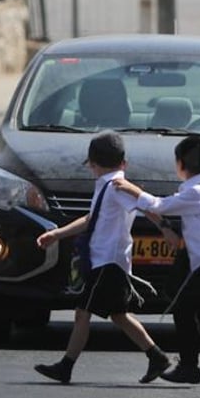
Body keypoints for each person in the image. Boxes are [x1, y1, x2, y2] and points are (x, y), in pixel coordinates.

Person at [112, 135, 200, 387]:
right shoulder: (199, 190)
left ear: (179, 164)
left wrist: (133, 189)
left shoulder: (197, 192)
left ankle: (190, 367)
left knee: (184, 309)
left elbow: (159, 205)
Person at [34, 132, 171, 384]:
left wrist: (165, 227)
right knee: (119, 314)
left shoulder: (117, 186)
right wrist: (58, 233)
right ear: (124, 162)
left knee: (82, 312)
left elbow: (145, 205)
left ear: (93, 164)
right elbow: (91, 219)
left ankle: (66, 366)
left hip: (108, 261)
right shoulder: (108, 185)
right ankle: (156, 356)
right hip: (107, 261)